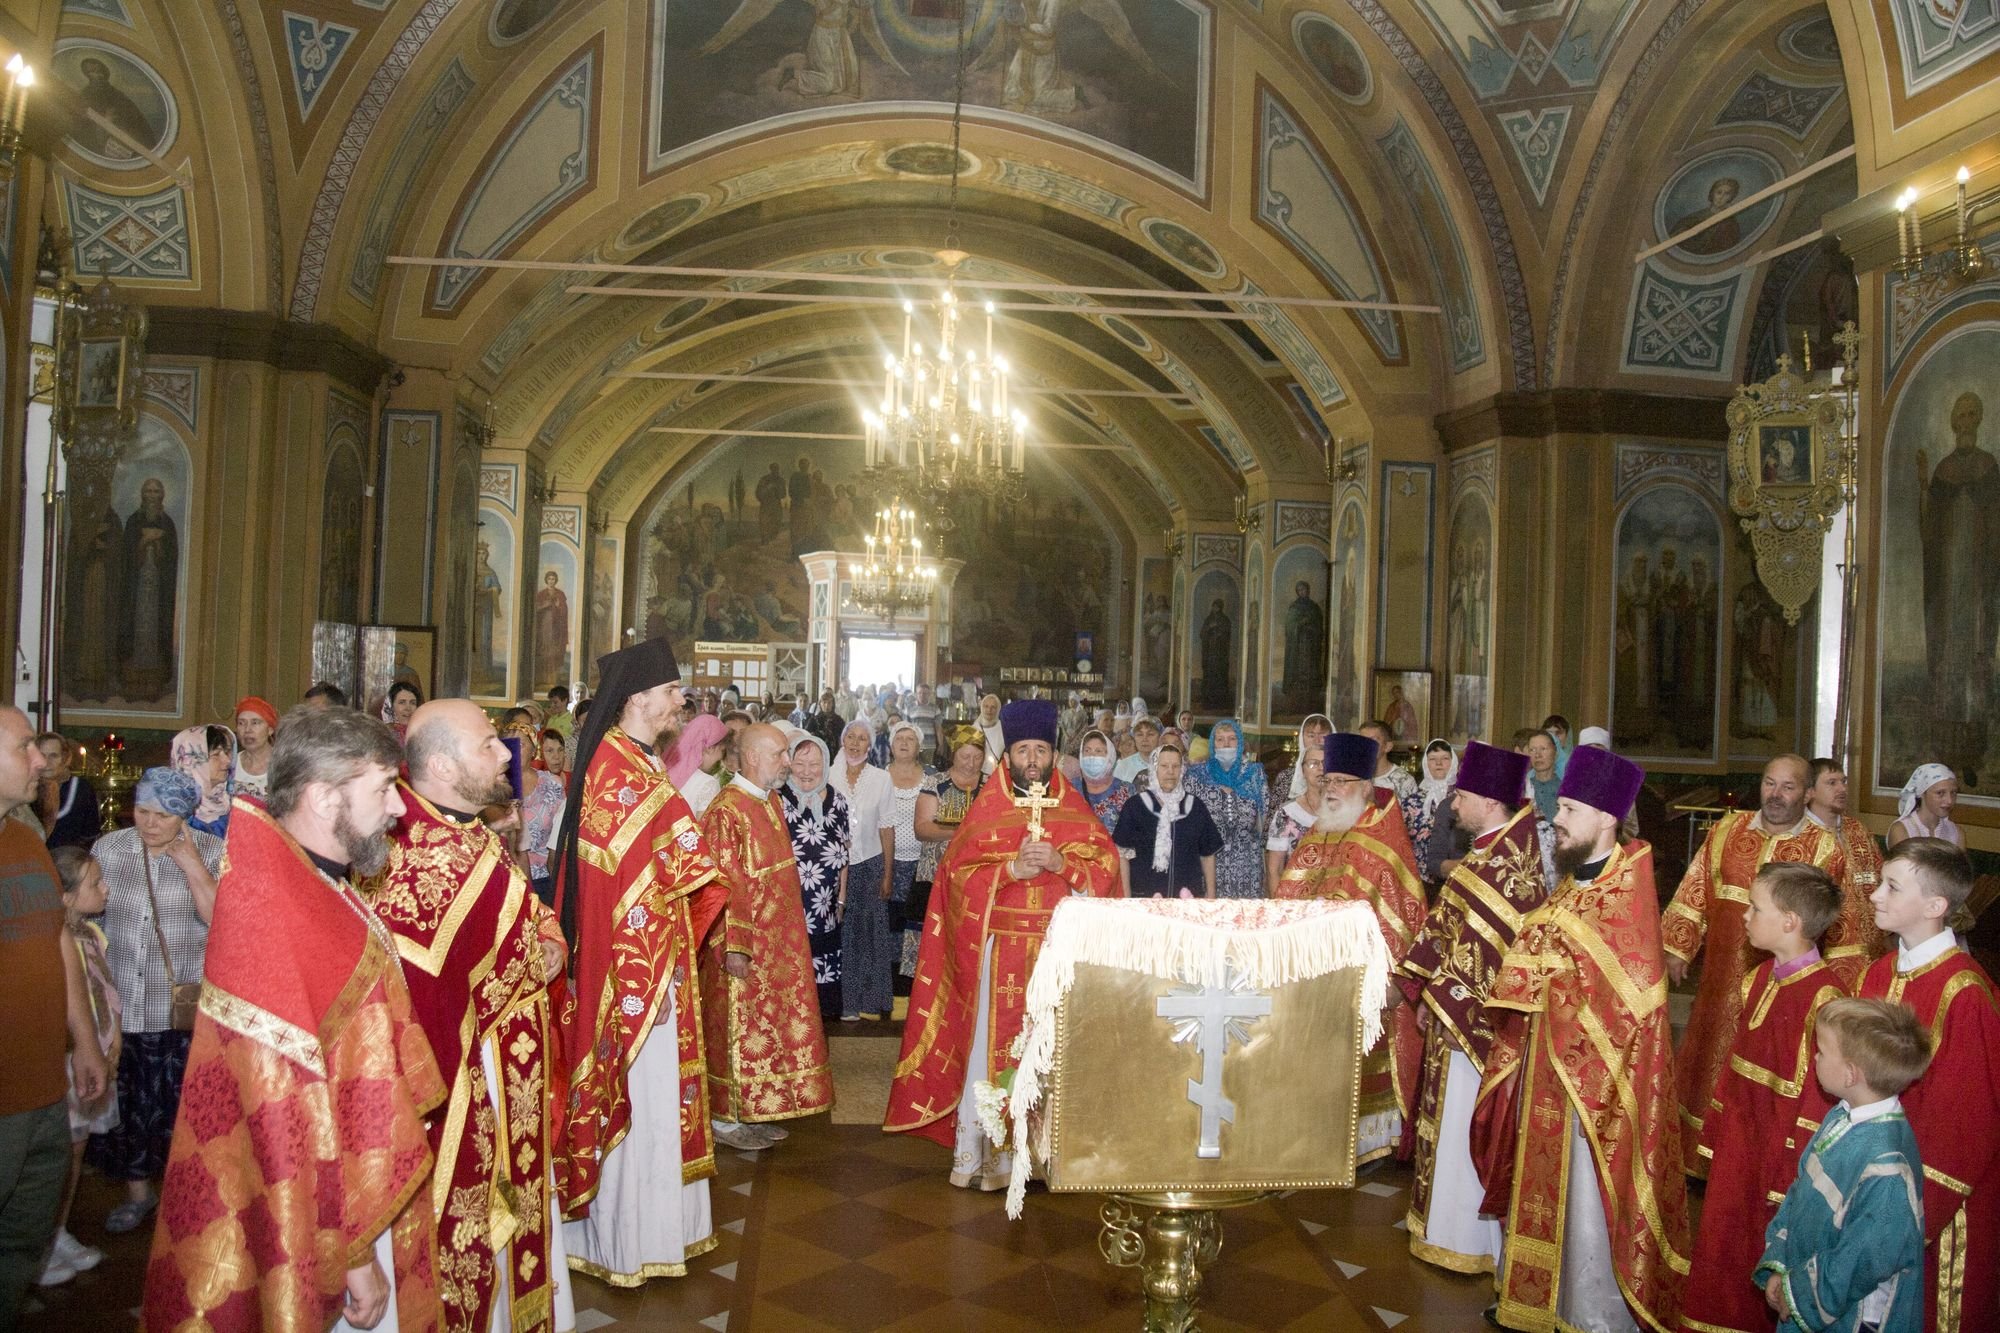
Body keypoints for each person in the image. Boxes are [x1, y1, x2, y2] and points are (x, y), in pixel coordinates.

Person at [144, 705, 445, 1330]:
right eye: (384, 789)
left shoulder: (312, 879)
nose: (398, 809)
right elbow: (288, 1111)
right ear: (320, 795)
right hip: (324, 1214)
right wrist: (354, 1251)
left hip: (360, 1185)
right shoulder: (272, 902)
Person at [363, 699, 574, 1332]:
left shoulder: (466, 830)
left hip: (510, 1078)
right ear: (444, 765)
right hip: (464, 1092)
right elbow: (421, 1001)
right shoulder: (413, 857)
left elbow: (517, 914)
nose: (506, 753)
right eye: (489, 743)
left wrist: (550, 944)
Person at [1481, 745, 1691, 1333]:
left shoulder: (1626, 890)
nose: (1557, 818)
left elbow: (1633, 1005)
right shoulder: (1576, 884)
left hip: (1596, 1081)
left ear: (1607, 818)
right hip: (1549, 1063)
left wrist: (1545, 972)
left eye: (1569, 808)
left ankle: (1593, 1312)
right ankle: (1536, 1300)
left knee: (1587, 1200)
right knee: (1548, 1187)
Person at [884, 699, 1121, 1192]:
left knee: (1052, 1050)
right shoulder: (988, 806)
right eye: (1022, 750)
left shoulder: (1074, 808)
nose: (1031, 759)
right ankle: (988, 1155)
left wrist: (1061, 864)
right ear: (1008, 755)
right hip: (998, 952)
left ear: (1053, 754)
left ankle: (1044, 1156)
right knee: (989, 1049)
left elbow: (1105, 869)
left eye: (1040, 750)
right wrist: (1010, 871)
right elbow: (955, 878)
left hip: (1055, 954)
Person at [551, 636, 728, 1287]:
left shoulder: (639, 761)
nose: (682, 698)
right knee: (641, 1095)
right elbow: (638, 872)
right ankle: (627, 1241)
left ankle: (660, 1232)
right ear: (639, 697)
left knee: (661, 1097)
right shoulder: (616, 769)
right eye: (674, 688)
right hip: (634, 970)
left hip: (659, 959)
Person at [1663, 754, 1858, 1175]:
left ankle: (1747, 1159)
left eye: (1787, 787)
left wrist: (1842, 988)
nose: (1775, 794)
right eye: (1769, 784)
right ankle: (1697, 1156)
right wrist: (1679, 945)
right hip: (1720, 974)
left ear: (1806, 794)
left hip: (1784, 982)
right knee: (1706, 1053)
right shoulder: (1728, 829)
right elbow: (1696, 883)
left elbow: (1843, 925)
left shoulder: (1825, 847)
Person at [1396, 740, 1545, 1277]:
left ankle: (1468, 1239)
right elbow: (1445, 928)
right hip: (1452, 1013)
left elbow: (1489, 949)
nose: (1453, 803)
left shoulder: (1507, 862)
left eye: (1461, 795)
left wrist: (1434, 996)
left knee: (1466, 1118)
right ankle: (1442, 1226)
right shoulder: (1488, 849)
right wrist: (1419, 983)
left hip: (1476, 1025)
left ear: (1487, 799)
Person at [1680, 863, 1846, 1333]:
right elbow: (1733, 1068)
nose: (1746, 916)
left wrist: (1786, 1179)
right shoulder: (1758, 980)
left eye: (1755, 907)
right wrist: (1714, 1134)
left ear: (1790, 921)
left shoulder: (1824, 997)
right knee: (1721, 1249)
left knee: (1759, 1258)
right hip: (1738, 1151)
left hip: (1775, 1165)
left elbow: (1818, 1100)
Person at [1855, 838, 2000, 1330]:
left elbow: (1967, 1125)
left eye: (1891, 887)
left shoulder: (1966, 994)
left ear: (1936, 907)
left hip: (1936, 1203)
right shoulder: (1877, 972)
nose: (1874, 895)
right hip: (1869, 1180)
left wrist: (1908, 1217)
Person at [0, 707, 107, 1324]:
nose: (40, 760)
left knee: (26, 1231)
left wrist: (86, 1044)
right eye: (24, 749)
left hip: (44, 1084)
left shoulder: (25, 841)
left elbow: (59, 939)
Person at [1274, 732, 1427, 1162]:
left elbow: (1403, 914)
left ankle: (1369, 1144)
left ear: (1364, 786)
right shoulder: (1320, 832)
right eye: (1327, 780)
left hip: (1363, 983)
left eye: (1342, 781)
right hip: (1314, 974)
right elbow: (1291, 892)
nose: (1330, 788)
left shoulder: (1381, 839)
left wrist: (1391, 976)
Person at [89, 766, 223, 1235]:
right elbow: (93, 917)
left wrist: (190, 865)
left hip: (180, 1007)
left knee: (180, 1106)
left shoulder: (210, 849)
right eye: (142, 811)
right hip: (125, 1000)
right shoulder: (109, 849)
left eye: (162, 816)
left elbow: (222, 921)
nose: (149, 824)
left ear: (184, 815)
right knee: (128, 1105)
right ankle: (138, 1195)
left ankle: (182, 1200)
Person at [1754, 998, 1931, 1333]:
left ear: (1851, 1073)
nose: (1814, 1057)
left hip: (1848, 1317)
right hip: (1804, 1281)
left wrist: (1796, 1293)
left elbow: (1859, 1261)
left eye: (1821, 1051)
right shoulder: (1841, 1116)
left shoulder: (1887, 1166)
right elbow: (1801, 1189)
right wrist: (1780, 1260)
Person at [700, 723, 833, 1151]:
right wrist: (733, 946)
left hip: (777, 944)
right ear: (753, 757)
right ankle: (724, 1120)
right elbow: (723, 885)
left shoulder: (769, 800)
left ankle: (752, 1110)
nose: (788, 762)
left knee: (764, 1028)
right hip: (746, 946)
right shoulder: (726, 810)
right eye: (779, 754)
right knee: (736, 1030)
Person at [780, 733, 849, 1018]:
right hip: (788, 903)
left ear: (826, 764)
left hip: (825, 906)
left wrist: (842, 900)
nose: (807, 771)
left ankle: (820, 1038)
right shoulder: (777, 799)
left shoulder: (838, 801)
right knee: (790, 969)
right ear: (789, 764)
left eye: (815, 764)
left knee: (823, 976)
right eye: (800, 763)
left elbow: (845, 854)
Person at [830, 720, 895, 1022]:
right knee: (841, 935)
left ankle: (870, 1000)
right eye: (851, 737)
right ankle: (844, 1002)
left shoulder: (882, 779)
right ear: (842, 741)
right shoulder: (827, 775)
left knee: (869, 935)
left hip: (870, 864)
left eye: (862, 739)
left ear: (870, 746)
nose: (856, 743)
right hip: (834, 866)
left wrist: (887, 873)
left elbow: (886, 828)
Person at [911, 725, 985, 987]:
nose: (971, 763)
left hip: (977, 877)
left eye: (977, 757)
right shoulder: (935, 783)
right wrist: (963, 832)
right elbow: (922, 828)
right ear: (954, 755)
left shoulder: (991, 785)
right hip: (935, 873)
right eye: (965, 756)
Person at [1805, 756, 1889, 986]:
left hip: (1872, 949)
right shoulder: (1800, 837)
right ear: (1810, 790)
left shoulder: (1858, 829)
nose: (1842, 788)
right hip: (1824, 951)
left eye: (1843, 781)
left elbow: (1880, 875)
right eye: (1831, 783)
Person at [1111, 741, 1221, 898]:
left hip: (1187, 899)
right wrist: (1126, 898)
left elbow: (1208, 855)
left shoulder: (1195, 807)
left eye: (1176, 766)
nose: (1170, 771)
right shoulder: (1135, 806)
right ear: (1154, 769)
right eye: (1164, 766)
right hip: (1145, 900)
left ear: (1182, 770)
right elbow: (1122, 855)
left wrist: (1211, 895)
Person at [1182, 717, 1266, 898]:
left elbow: (1264, 823)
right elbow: (1187, 824)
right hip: (1208, 866)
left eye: (1232, 738)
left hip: (1248, 868)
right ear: (1212, 744)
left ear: (1241, 742)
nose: (1226, 744)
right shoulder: (1196, 776)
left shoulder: (1254, 774)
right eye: (1220, 739)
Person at [883, 722, 932, 995]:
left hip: (921, 863)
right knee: (890, 922)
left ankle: (914, 987)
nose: (904, 742)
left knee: (915, 923)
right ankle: (889, 984)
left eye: (910, 739)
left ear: (919, 746)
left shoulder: (930, 778)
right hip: (886, 862)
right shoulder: (879, 776)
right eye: (899, 738)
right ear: (891, 744)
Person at [1263, 737, 1325, 882]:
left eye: (1326, 763)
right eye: (1313, 764)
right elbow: (1274, 869)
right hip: (1295, 895)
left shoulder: (1345, 811)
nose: (1321, 768)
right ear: (1302, 770)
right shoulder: (1287, 813)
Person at [521, 726, 569, 904]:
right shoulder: (499, 786)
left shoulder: (556, 785)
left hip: (544, 876)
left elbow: (559, 837)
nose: (556, 756)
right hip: (512, 875)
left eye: (560, 750)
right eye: (549, 751)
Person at [34, 732, 101, 850]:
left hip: (67, 862)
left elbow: (90, 833)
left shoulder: (81, 788)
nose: (47, 762)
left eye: (53, 756)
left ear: (65, 758)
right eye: (42, 755)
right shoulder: (25, 786)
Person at [169, 723, 235, 839]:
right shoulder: (173, 816)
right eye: (216, 754)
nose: (227, 760)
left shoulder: (236, 806)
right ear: (190, 762)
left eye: (228, 751)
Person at [1409, 738, 1458, 882]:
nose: (1439, 763)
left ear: (1453, 762)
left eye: (1445, 758)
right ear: (1425, 763)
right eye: (1432, 759)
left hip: (1452, 872)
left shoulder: (1460, 798)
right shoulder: (1412, 801)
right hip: (1419, 875)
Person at [1886, 762, 1963, 848]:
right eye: (1940, 793)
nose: (1949, 800)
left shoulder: (1956, 833)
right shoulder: (1902, 830)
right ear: (1922, 793)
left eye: (1953, 793)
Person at [668, 713, 728, 818]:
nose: (720, 758)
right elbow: (705, 830)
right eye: (722, 751)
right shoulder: (707, 784)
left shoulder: (665, 769)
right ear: (710, 748)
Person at [1074, 728, 1131, 835]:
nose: (1092, 756)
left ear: (1110, 756)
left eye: (1098, 751)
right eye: (1087, 750)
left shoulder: (1126, 790)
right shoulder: (1070, 788)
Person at [1362, 719, 1418, 806]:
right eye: (1362, 741)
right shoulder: (1353, 777)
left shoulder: (1404, 781)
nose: (1366, 746)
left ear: (1388, 746)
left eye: (1372, 741)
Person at [231, 696, 277, 798]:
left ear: (270, 729)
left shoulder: (285, 766)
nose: (247, 729)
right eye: (241, 723)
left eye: (255, 722)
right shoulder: (229, 764)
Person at [1516, 727, 1561, 821]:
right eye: (1532, 750)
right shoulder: (1522, 789)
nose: (1537, 755)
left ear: (1555, 753)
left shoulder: (1564, 791)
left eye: (1543, 749)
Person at [1287, 713, 1333, 800]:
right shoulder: (1286, 777)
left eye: (1322, 736)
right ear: (1302, 738)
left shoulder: (1339, 775)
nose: (1316, 741)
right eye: (1311, 736)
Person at [1113, 714, 1163, 786]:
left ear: (1160, 737)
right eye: (1139, 735)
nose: (1144, 739)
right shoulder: (1123, 766)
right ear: (1134, 738)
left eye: (1150, 734)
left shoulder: (1169, 763)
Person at [975, 693, 1005, 772]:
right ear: (981, 707)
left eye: (993, 707)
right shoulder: (974, 729)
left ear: (998, 709)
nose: (989, 710)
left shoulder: (1003, 729)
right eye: (986, 706)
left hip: (998, 774)